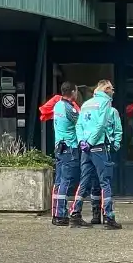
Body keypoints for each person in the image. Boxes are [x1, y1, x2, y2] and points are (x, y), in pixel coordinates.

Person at [71, 80, 123, 230]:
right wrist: (92, 142)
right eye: (112, 89)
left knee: (84, 181)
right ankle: (109, 217)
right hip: (99, 147)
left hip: (85, 149)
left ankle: (75, 214)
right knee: (105, 182)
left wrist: (82, 141)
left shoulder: (86, 104)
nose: (113, 92)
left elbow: (79, 125)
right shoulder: (105, 103)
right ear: (106, 90)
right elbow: (101, 125)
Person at [49, 82, 83, 227]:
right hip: (69, 148)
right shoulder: (70, 109)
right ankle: (61, 214)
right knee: (67, 181)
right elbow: (81, 123)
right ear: (73, 92)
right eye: (76, 91)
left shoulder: (57, 105)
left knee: (58, 181)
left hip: (59, 147)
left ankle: (56, 213)